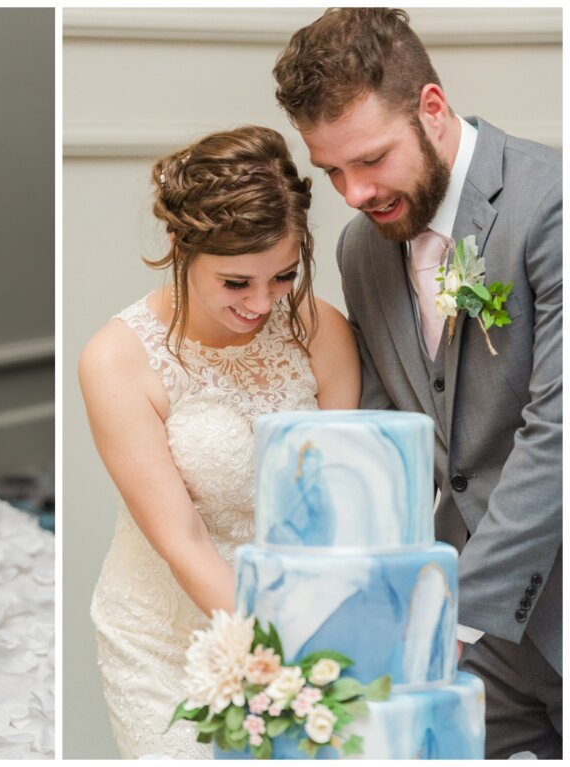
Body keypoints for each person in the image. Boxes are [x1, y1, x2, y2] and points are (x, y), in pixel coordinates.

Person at [273, 8, 562, 759]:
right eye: (332, 169)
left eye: (370, 158)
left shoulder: (551, 204)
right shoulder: (361, 250)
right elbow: (385, 440)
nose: (354, 192)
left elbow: (559, 431)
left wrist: (452, 613)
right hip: (470, 640)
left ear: (432, 109)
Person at [79, 125, 359, 758]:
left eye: (283, 276)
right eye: (236, 282)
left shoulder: (321, 330)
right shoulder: (118, 359)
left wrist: (325, 637)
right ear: (181, 246)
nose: (261, 303)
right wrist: (276, 657)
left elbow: (338, 504)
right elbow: (184, 540)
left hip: (305, 620)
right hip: (166, 637)